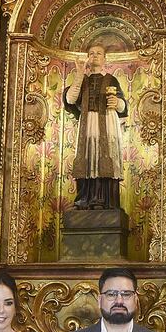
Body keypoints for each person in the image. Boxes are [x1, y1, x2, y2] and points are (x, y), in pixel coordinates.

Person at [63, 42, 127, 210]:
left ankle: (104, 200)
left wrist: (117, 102)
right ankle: (84, 199)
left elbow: (123, 105)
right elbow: (70, 99)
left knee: (103, 156)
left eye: (99, 53)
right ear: (87, 58)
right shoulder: (82, 79)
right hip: (87, 123)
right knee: (87, 156)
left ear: (105, 58)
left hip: (106, 122)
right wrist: (78, 74)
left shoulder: (111, 79)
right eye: (91, 53)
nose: (95, 56)